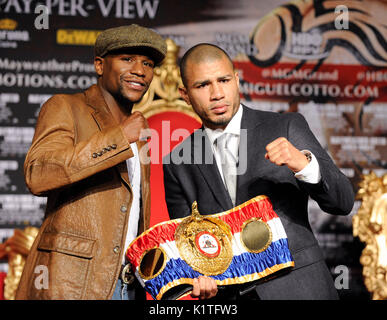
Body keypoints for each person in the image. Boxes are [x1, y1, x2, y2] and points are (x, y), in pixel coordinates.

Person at [163, 43, 355, 300]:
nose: (217, 93)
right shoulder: (177, 162)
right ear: (184, 95)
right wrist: (198, 277)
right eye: (202, 85)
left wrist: (305, 165)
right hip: (229, 298)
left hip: (301, 289)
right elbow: (188, 248)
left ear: (237, 80)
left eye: (223, 80)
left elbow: (343, 202)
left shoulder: (285, 126)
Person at [16, 24, 167, 300]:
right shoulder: (66, 107)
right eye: (127, 59)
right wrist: (119, 137)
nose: (140, 70)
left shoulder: (138, 133)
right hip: (71, 284)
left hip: (129, 285)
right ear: (99, 65)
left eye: (147, 63)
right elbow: (38, 174)